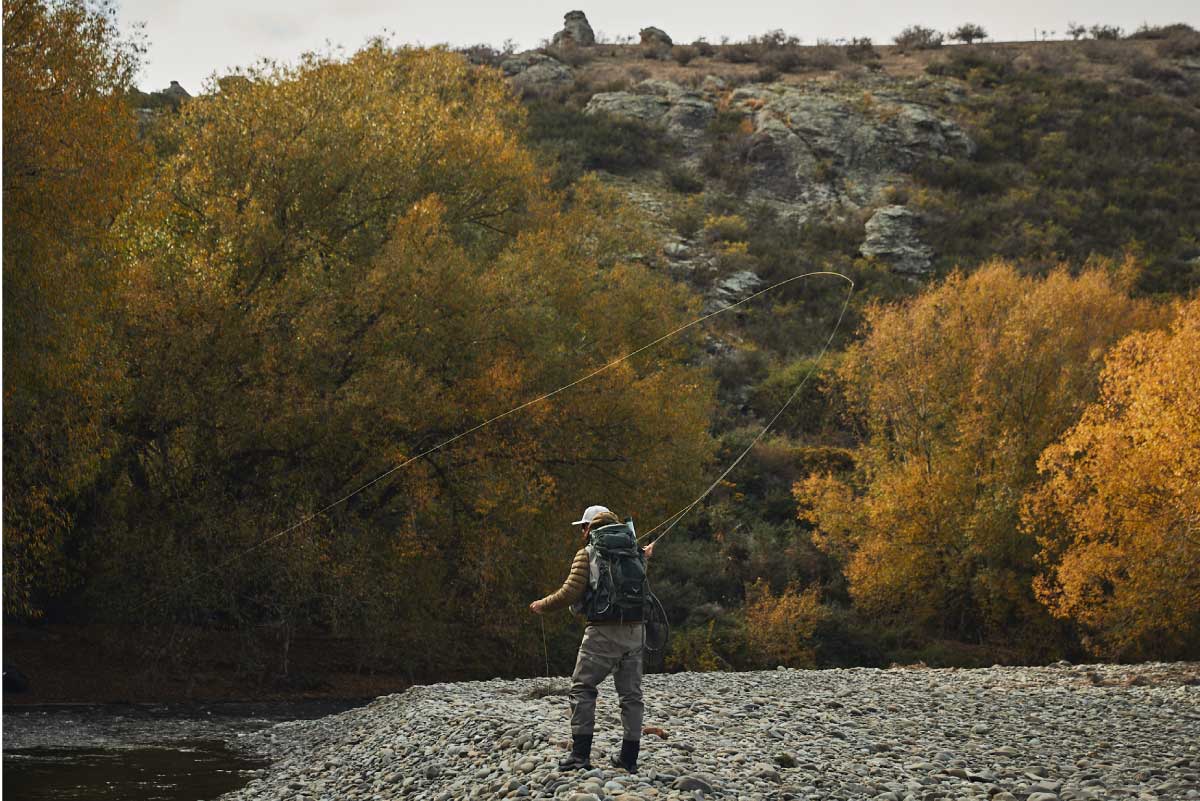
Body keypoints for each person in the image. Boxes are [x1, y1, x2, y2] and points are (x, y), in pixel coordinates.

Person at [529, 504, 655, 773]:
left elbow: (569, 593)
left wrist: (543, 605)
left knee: (583, 688)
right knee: (631, 696)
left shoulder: (588, 553)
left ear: (588, 528)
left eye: (582, 527)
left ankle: (580, 755)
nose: (581, 533)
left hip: (603, 631)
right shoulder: (633, 550)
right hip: (636, 631)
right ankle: (629, 759)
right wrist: (646, 558)